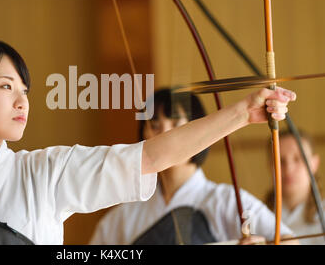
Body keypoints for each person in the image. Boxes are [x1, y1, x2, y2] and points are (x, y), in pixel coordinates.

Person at [0, 40, 296, 245]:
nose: (23, 101)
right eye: (6, 87)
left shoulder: (46, 172)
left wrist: (243, 113)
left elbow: (149, 156)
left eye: (26, 90)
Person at [90, 89, 296, 245]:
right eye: (154, 126)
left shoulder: (225, 201)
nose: (164, 135)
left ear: (198, 133)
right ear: (143, 134)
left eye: (176, 124)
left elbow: (289, 240)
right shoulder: (124, 216)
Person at [265, 130, 325, 244]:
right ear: (270, 165)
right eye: (280, 161)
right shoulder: (258, 215)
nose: (288, 169)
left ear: (314, 163)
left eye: (298, 159)